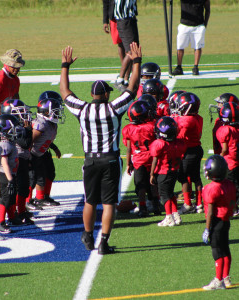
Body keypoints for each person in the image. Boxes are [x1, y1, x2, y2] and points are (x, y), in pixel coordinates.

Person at [60, 42, 142, 254]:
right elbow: (132, 88)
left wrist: (65, 66)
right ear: (106, 94)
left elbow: (65, 92)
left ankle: (87, 234)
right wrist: (136, 62)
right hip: (110, 159)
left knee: (90, 201)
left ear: (92, 95)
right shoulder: (114, 108)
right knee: (109, 204)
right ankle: (103, 242)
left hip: (90, 160)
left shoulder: (83, 109)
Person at [202, 155, 236, 290]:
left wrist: (207, 228)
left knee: (217, 251)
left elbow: (210, 212)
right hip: (225, 220)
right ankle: (226, 277)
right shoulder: (229, 184)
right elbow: (233, 203)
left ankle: (218, 280)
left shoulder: (212, 188)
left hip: (216, 222)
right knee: (225, 250)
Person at [122, 100, 160, 217]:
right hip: (152, 158)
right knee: (153, 182)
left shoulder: (128, 129)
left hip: (139, 160)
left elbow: (129, 149)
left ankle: (142, 207)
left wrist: (128, 163)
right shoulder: (152, 125)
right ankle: (156, 206)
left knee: (140, 186)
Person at [28, 96, 65, 209]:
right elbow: (30, 142)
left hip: (40, 153)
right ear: (46, 111)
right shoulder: (41, 124)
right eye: (56, 111)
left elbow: (45, 139)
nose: (58, 113)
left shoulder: (50, 123)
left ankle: (42, 197)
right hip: (32, 154)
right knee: (32, 178)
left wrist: (54, 147)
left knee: (47, 174)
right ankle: (28, 201)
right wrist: (27, 158)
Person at [150, 116, 186, 227]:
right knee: (170, 194)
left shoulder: (159, 144)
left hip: (164, 172)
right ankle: (176, 216)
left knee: (164, 196)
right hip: (174, 171)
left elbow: (155, 159)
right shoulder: (179, 143)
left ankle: (169, 217)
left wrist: (151, 174)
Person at [174, 92, 204, 214]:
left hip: (188, 151)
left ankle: (187, 204)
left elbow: (179, 137)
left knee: (184, 177)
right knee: (196, 177)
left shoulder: (186, 120)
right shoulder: (197, 117)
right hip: (196, 149)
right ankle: (199, 204)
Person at [0, 114, 22, 233]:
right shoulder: (4, 144)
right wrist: (10, 179)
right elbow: (4, 163)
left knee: (11, 197)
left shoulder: (8, 142)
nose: (16, 130)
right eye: (13, 128)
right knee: (5, 198)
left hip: (10, 174)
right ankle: (0, 222)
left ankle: (11, 217)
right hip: (5, 175)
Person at [172, 0, 210, 76]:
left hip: (198, 25)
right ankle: (179, 67)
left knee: (198, 46)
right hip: (184, 24)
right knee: (180, 46)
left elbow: (208, 9)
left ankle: (195, 67)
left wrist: (204, 24)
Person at [216, 102, 239, 215]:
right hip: (237, 160)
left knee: (230, 186)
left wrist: (219, 158)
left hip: (229, 161)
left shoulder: (225, 130)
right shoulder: (237, 128)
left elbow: (225, 148)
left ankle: (234, 207)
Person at [112, 0, 139, 92]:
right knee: (130, 52)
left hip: (131, 17)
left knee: (135, 50)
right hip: (124, 19)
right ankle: (120, 79)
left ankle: (126, 80)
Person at [103, 0, 130, 88]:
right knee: (120, 44)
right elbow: (106, 3)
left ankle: (125, 77)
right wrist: (105, 21)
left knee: (129, 46)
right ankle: (124, 72)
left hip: (126, 16)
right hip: (114, 18)